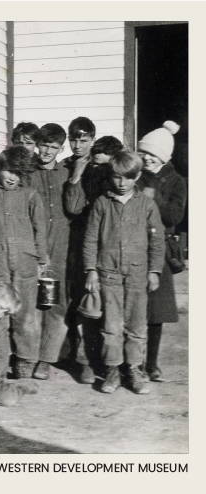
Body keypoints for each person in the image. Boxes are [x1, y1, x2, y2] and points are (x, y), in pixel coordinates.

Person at [84, 151, 164, 395]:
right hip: (109, 274)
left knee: (137, 324)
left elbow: (157, 240)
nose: (121, 183)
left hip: (138, 275)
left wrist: (154, 270)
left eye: (127, 178)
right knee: (111, 325)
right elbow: (90, 240)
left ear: (137, 176)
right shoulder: (101, 204)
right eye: (117, 178)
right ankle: (112, 369)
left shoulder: (146, 205)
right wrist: (91, 270)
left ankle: (134, 369)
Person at [0, 146, 48, 379]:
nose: (11, 178)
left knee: (25, 315)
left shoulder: (30, 195)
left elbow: (40, 229)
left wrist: (41, 259)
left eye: (17, 173)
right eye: (8, 171)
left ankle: (25, 361)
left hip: (25, 265)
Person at [64, 133, 123, 384]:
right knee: (87, 307)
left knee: (113, 312)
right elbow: (75, 208)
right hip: (87, 250)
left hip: (113, 255)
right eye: (95, 165)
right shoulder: (88, 185)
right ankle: (86, 361)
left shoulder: (121, 190)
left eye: (104, 166)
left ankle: (115, 365)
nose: (98, 170)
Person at [136, 122, 186, 382]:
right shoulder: (135, 173)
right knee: (132, 307)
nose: (145, 158)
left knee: (155, 313)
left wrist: (155, 197)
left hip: (160, 249)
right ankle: (131, 363)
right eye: (143, 152)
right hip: (134, 244)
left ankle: (151, 364)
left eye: (151, 154)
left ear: (163, 157)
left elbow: (175, 215)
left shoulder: (177, 181)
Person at [25, 123, 72, 380]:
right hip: (34, 247)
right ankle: (29, 356)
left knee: (56, 303)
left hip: (61, 246)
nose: (47, 151)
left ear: (60, 149)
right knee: (34, 303)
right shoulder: (28, 174)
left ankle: (46, 359)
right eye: (44, 145)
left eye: (53, 147)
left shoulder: (65, 173)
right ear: (37, 144)